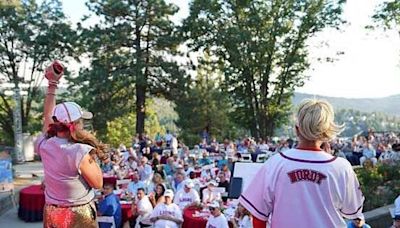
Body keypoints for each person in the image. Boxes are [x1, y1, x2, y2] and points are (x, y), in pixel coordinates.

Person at [239, 99, 365, 228]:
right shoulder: (341, 167)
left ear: (297, 129)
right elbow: (352, 211)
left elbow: (259, 216)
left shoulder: (275, 163)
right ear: (326, 132)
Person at [34, 61, 106, 227]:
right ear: (77, 124)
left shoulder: (44, 144)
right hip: (78, 214)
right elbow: (98, 183)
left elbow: (47, 118)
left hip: (52, 212)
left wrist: (52, 84)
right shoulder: (80, 151)